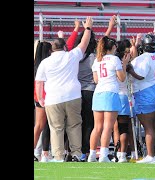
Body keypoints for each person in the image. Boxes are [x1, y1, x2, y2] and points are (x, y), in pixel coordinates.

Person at [35, 17, 94, 162]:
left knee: (56, 128)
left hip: (53, 98)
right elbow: (84, 43)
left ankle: (59, 156)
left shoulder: (45, 62)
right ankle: (76, 154)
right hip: (73, 96)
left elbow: (39, 82)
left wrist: (41, 99)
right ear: (65, 47)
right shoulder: (71, 56)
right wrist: (87, 28)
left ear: (51, 50)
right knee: (74, 126)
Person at [87, 36, 130, 162]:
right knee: (108, 126)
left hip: (98, 93)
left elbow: (96, 80)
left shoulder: (97, 60)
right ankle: (104, 155)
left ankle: (92, 154)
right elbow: (122, 78)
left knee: (97, 127)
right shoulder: (115, 59)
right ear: (112, 47)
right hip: (110, 93)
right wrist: (125, 64)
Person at [129, 34, 155, 163]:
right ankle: (153, 153)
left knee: (148, 126)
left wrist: (130, 70)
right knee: (154, 126)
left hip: (145, 91)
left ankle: (150, 155)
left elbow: (140, 76)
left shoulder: (144, 58)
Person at [72, 29, 97, 162]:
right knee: (89, 123)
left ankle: (73, 150)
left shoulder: (75, 56)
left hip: (76, 92)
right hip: (90, 91)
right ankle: (85, 151)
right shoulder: (94, 57)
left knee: (76, 123)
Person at [34, 40, 52, 162]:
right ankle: (45, 154)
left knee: (39, 125)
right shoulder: (48, 64)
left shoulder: (36, 64)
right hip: (48, 97)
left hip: (37, 97)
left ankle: (37, 151)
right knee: (48, 126)